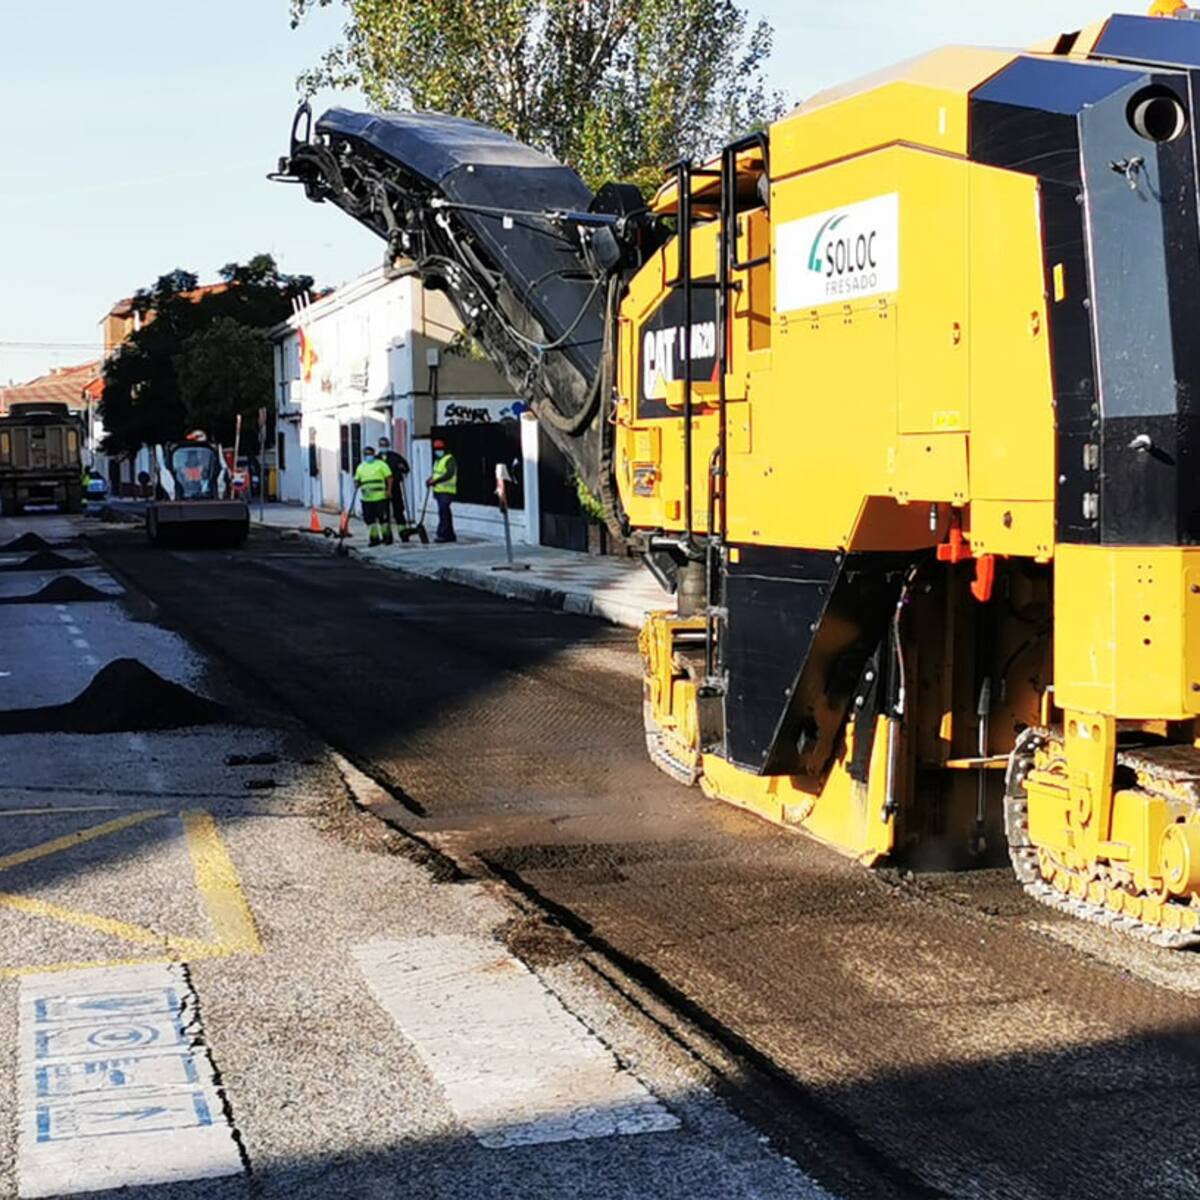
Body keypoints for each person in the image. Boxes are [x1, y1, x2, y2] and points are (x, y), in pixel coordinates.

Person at [354, 445, 394, 547]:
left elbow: (389, 478)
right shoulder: (361, 467)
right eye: (366, 454)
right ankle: (374, 539)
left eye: (370, 454)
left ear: (374, 454)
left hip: (380, 497)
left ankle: (387, 538)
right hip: (366, 499)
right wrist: (356, 483)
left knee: (383, 519)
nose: (369, 456)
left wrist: (389, 490)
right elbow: (357, 479)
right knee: (370, 521)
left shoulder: (381, 465)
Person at [426, 437, 457, 543]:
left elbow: (449, 474)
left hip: (447, 491)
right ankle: (450, 534)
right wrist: (430, 480)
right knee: (445, 513)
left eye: (440, 448)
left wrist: (435, 481)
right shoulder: (437, 461)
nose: (438, 451)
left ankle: (443, 534)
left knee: (443, 512)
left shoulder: (449, 459)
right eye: (436, 449)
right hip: (439, 491)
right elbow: (436, 474)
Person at [377, 436, 411, 531]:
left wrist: (402, 468)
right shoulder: (376, 459)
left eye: (385, 445)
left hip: (395, 486)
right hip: (382, 488)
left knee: (398, 511)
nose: (383, 447)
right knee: (384, 512)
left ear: (388, 445)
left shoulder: (395, 457)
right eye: (382, 445)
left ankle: (403, 533)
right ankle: (387, 535)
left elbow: (406, 468)